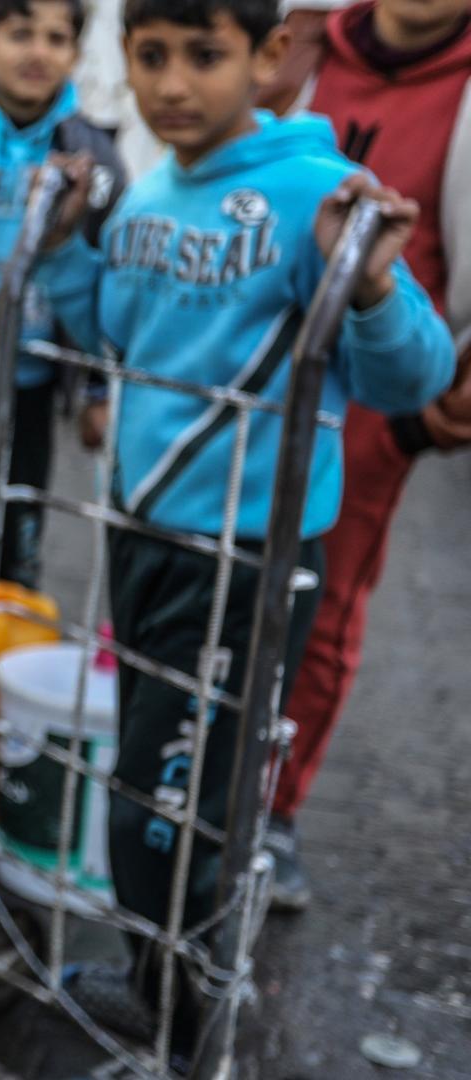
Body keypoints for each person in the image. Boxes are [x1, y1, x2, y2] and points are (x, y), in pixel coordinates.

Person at [37, 0, 456, 1065]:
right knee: (143, 789)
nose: (175, 84)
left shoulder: (318, 195)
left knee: (168, 818)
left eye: (205, 56)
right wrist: (72, 245)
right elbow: (112, 330)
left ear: (271, 58)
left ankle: (190, 1027)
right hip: (141, 542)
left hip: (244, 562)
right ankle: (159, 987)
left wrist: (367, 286)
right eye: (152, 57)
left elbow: (412, 375)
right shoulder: (152, 194)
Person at [250, 0, 471, 912]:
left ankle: (273, 809)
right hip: (248, 366)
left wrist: (431, 415)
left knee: (322, 597)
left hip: (376, 396)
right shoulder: (305, 43)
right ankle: (188, 780)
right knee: (209, 571)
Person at [0, 0, 129, 590]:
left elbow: (110, 283)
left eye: (55, 38)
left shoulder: (98, 162)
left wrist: (98, 386)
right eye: (20, 34)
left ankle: (4, 646)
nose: (38, 52)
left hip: (30, 382)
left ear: (74, 56)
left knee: (17, 531)